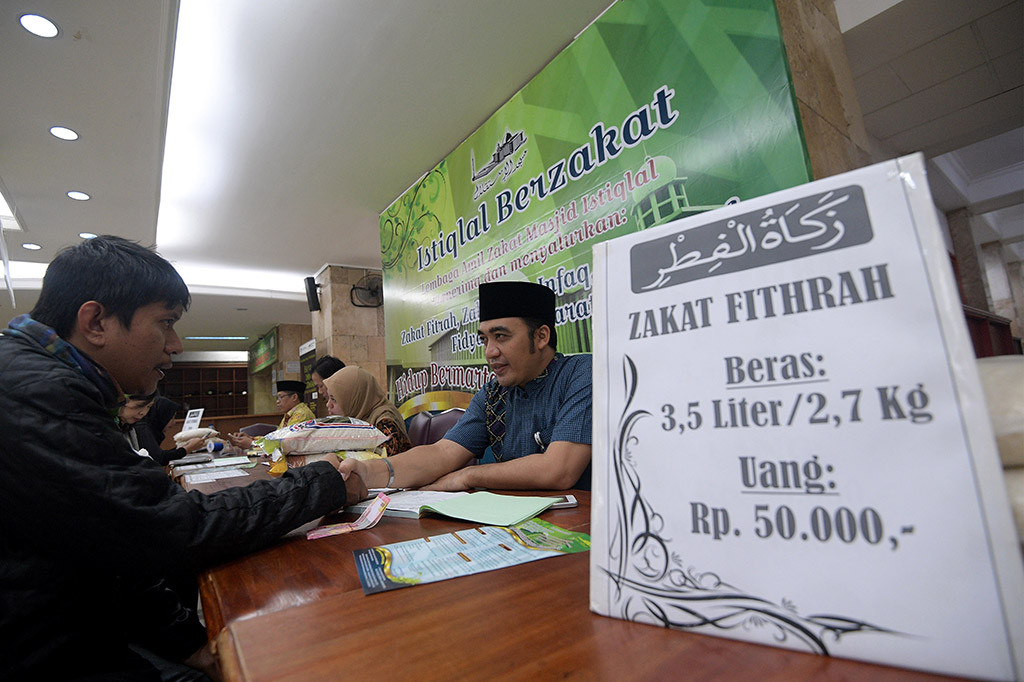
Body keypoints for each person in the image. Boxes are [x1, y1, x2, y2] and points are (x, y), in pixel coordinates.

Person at [0, 235, 366, 681]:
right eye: (165, 322)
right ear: (96, 322)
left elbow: (110, 537)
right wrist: (322, 483)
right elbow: (166, 527)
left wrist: (186, 643)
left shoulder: (39, 379)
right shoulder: (35, 394)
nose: (175, 344)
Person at [337, 281, 592, 492]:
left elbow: (559, 471)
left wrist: (470, 476)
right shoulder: (493, 395)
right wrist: (370, 472)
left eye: (501, 336)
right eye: (484, 339)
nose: (490, 352)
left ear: (541, 337)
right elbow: (444, 453)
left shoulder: (582, 375)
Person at [323, 366, 412, 455]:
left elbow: (384, 463)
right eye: (328, 398)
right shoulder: (361, 418)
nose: (328, 405)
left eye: (334, 399)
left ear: (355, 398)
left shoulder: (385, 423)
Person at [225, 380, 315, 450]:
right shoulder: (289, 414)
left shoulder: (301, 414)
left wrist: (252, 444)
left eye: (280, 397)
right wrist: (252, 438)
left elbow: (284, 444)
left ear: (294, 397)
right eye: (277, 398)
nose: (277, 401)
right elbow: (275, 438)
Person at [134, 393, 205, 465]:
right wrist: (187, 448)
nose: (173, 422)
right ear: (162, 416)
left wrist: (184, 447)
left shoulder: (148, 428)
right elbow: (159, 458)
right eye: (172, 417)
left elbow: (161, 455)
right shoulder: (142, 428)